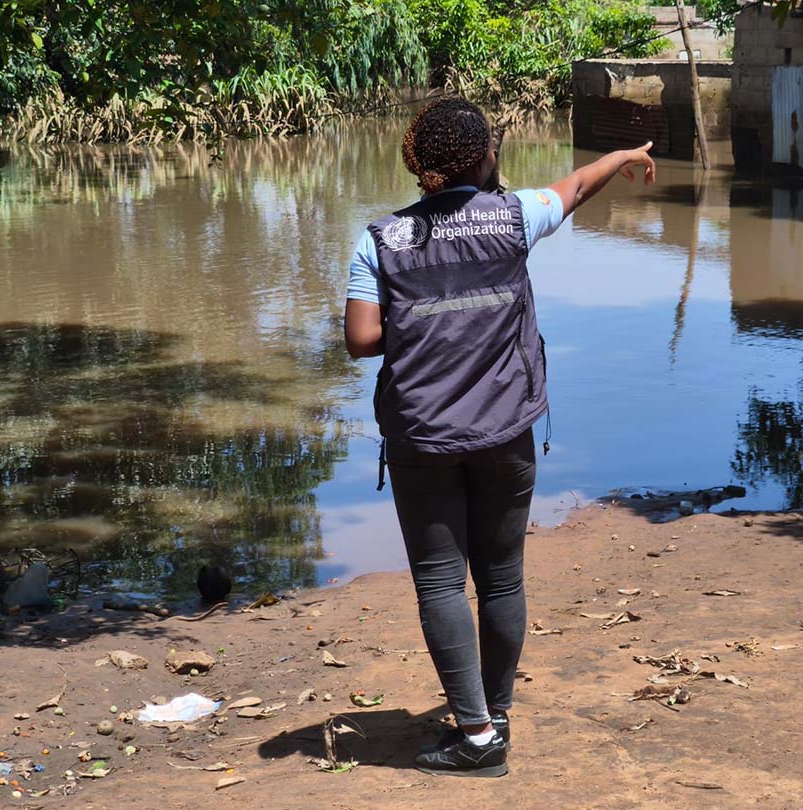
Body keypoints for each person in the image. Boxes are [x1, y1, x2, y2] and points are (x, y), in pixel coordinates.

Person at [344, 97, 656, 777]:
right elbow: (577, 186)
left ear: (420, 162)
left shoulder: (380, 240)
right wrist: (624, 156)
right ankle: (497, 715)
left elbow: (362, 338)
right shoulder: (514, 216)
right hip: (504, 430)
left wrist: (424, 321)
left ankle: (478, 733)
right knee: (501, 576)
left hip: (422, 437)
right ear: (486, 157)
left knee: (440, 582)